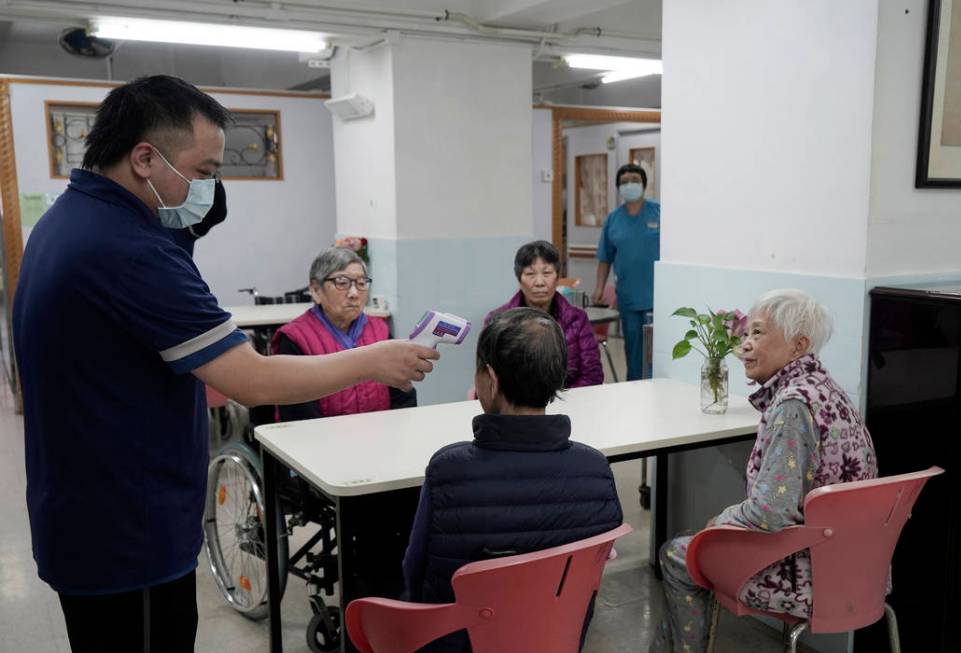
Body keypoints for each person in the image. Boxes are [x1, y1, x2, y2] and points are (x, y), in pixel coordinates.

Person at [12, 75, 437, 653]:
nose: (210, 187)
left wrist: (180, 233)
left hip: (87, 507)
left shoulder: (71, 221)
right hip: (127, 531)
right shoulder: (129, 251)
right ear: (145, 158)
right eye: (206, 171)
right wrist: (371, 360)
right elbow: (251, 378)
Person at [650, 289, 878, 653]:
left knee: (679, 555)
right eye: (745, 334)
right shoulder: (827, 390)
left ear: (798, 345)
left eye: (758, 334)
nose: (745, 346)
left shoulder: (792, 406)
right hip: (860, 568)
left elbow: (770, 512)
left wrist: (720, 520)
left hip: (810, 576)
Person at [402, 308, 623, 652]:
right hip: (555, 637)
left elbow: (414, 572)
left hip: (461, 642)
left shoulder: (449, 468)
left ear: (489, 379)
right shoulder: (596, 469)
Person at [273, 246, 417, 419]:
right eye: (342, 283)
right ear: (316, 290)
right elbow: (298, 414)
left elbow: (403, 397)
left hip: (382, 437)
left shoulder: (380, 330)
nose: (354, 293)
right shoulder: (295, 338)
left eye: (361, 283)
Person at [485, 240, 603, 388]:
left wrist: (559, 401)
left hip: (569, 402)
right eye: (530, 274)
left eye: (547, 273)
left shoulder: (577, 319)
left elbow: (592, 374)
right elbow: (489, 378)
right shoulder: (497, 321)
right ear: (519, 279)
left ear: (557, 277)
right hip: (517, 407)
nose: (539, 282)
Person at [592, 163, 660, 381]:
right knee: (633, 352)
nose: (629, 184)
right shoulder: (613, 220)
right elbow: (605, 258)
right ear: (618, 187)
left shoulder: (659, 213)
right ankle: (635, 393)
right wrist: (599, 289)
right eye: (624, 182)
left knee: (659, 353)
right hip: (629, 297)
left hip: (659, 296)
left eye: (634, 180)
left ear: (643, 184)